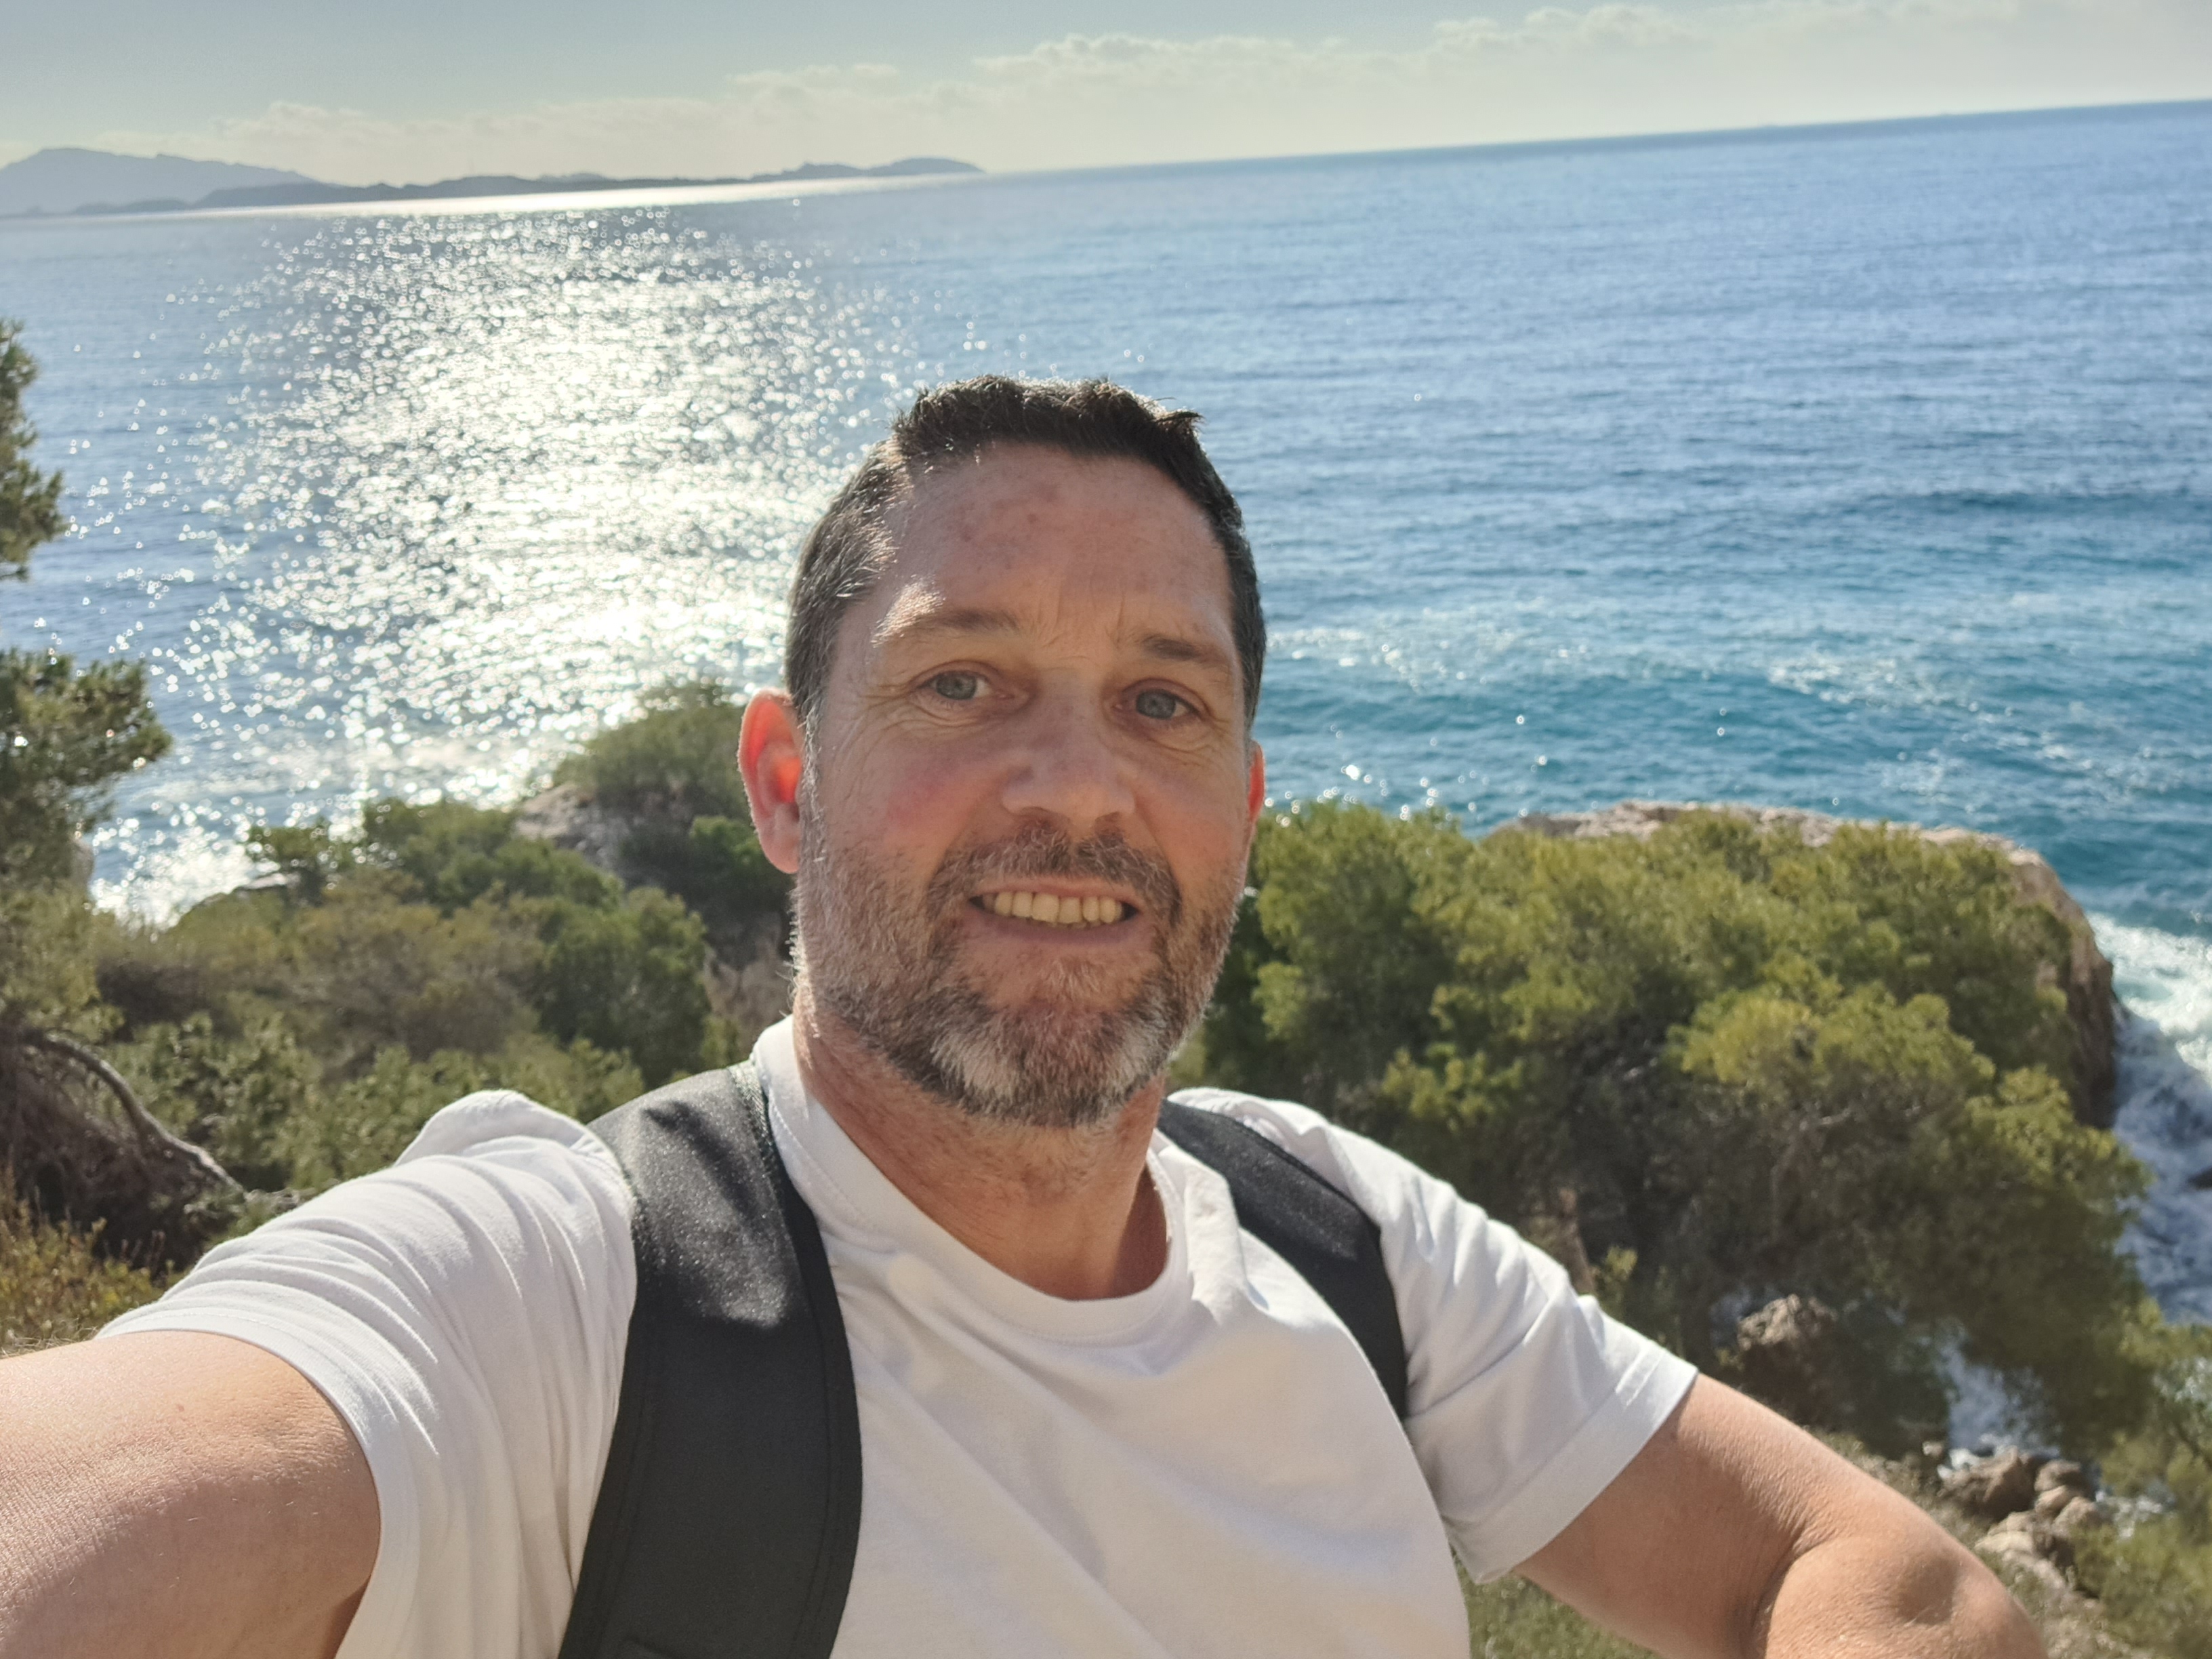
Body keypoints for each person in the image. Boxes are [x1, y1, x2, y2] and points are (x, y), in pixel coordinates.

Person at [0, 376, 2039, 1659]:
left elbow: (1890, 1579)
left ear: (1244, 811)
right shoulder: (559, 1301)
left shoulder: (1339, 1237)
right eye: (963, 682)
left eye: (1163, 702)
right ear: (786, 783)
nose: (1078, 787)